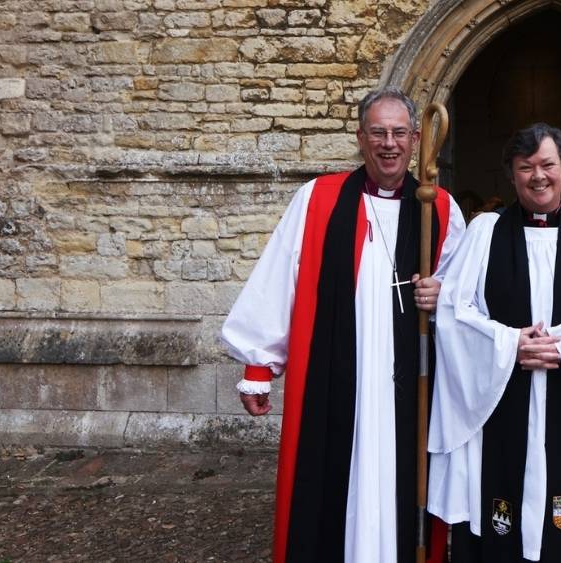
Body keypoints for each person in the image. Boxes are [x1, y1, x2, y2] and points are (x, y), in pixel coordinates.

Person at [220, 87, 466, 563]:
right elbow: (280, 276)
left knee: (405, 486)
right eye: (378, 132)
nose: (389, 143)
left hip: (410, 387)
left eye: (399, 133)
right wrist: (257, 364)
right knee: (329, 484)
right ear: (360, 137)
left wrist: (445, 296)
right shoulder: (318, 199)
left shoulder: (439, 208)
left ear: (416, 140)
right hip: (336, 380)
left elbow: (467, 292)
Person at [427, 123, 561, 562]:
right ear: (511, 174)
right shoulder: (485, 233)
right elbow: (455, 311)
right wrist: (509, 345)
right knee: (499, 505)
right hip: (503, 397)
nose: (537, 176)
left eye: (547, 165)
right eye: (526, 167)